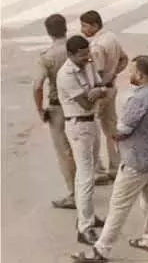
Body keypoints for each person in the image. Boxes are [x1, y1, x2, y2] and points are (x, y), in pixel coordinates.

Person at [70, 56, 148, 263]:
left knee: (118, 205)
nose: (129, 75)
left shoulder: (138, 99)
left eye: (132, 72)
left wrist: (111, 130)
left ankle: (101, 250)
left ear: (140, 75)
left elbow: (122, 131)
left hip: (136, 159)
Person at [57, 35, 109, 245]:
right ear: (70, 55)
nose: (87, 58)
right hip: (78, 125)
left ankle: (86, 216)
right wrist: (97, 92)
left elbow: (99, 87)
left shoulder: (87, 64)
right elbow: (86, 102)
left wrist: (96, 92)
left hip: (90, 122)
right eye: (82, 55)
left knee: (87, 173)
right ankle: (84, 227)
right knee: (86, 177)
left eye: (87, 54)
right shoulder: (66, 74)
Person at [33, 14, 76, 209]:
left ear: (48, 32)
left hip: (58, 106)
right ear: (65, 28)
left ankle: (74, 194)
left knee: (64, 152)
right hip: (79, 103)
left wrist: (40, 110)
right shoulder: (76, 48)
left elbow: (37, 86)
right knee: (83, 147)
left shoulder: (47, 56)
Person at [80, 10, 128, 185]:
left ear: (94, 25)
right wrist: (113, 74)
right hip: (111, 89)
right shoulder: (111, 37)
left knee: (93, 131)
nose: (82, 29)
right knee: (111, 129)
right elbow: (124, 59)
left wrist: (100, 83)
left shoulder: (97, 47)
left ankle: (98, 170)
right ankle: (116, 166)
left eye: (85, 26)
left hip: (101, 92)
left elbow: (96, 73)